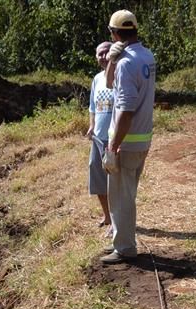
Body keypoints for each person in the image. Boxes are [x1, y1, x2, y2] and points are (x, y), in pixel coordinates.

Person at [100, 10, 156, 265]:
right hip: (141, 139)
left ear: (114, 34)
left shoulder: (126, 64)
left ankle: (124, 248)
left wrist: (114, 144)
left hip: (126, 142)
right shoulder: (146, 56)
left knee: (121, 197)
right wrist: (113, 60)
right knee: (126, 194)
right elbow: (110, 83)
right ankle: (122, 241)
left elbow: (125, 109)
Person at [86, 42, 114, 228]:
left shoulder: (121, 76)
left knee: (115, 181)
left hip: (115, 139)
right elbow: (93, 107)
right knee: (97, 176)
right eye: (99, 54)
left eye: (106, 53)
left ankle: (117, 220)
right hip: (98, 138)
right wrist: (92, 125)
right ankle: (107, 216)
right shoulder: (96, 79)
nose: (103, 57)